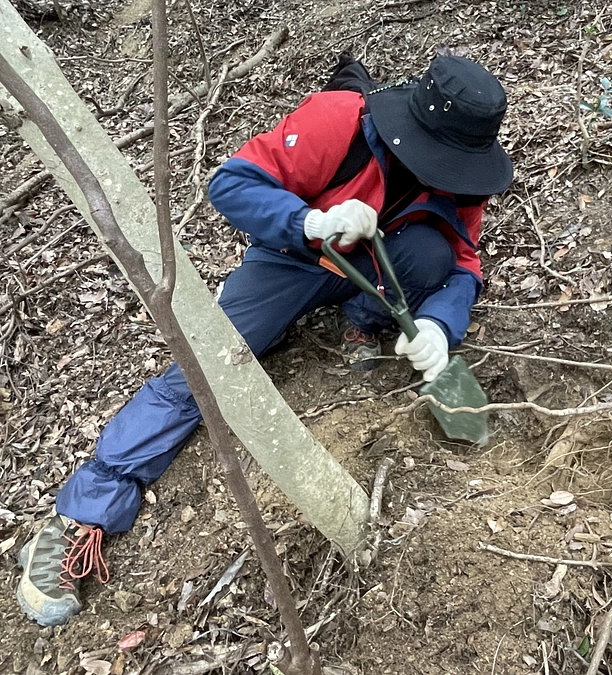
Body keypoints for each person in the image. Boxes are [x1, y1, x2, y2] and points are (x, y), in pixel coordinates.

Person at [16, 54, 513, 626]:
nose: (444, 174)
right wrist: (309, 222)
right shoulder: (339, 121)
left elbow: (463, 261)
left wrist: (438, 326)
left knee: (430, 255)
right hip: (292, 259)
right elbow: (231, 183)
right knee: (202, 372)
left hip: (375, 267)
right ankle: (78, 518)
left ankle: (362, 318)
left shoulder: (462, 175)